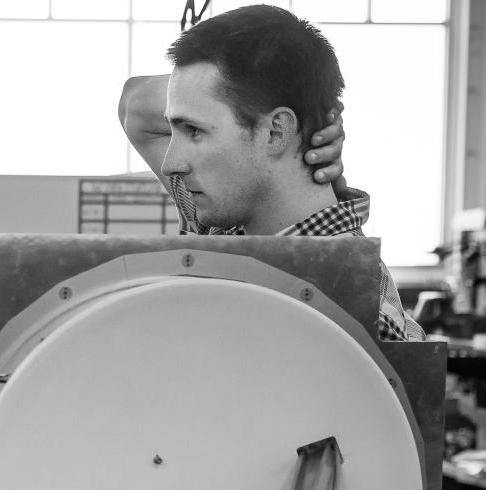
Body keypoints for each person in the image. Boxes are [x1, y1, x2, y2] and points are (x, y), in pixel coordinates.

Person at [117, 5, 422, 341]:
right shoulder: (221, 224)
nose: (171, 163)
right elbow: (135, 107)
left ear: (276, 132)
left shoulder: (362, 310)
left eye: (193, 129)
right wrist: (303, 104)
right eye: (175, 127)